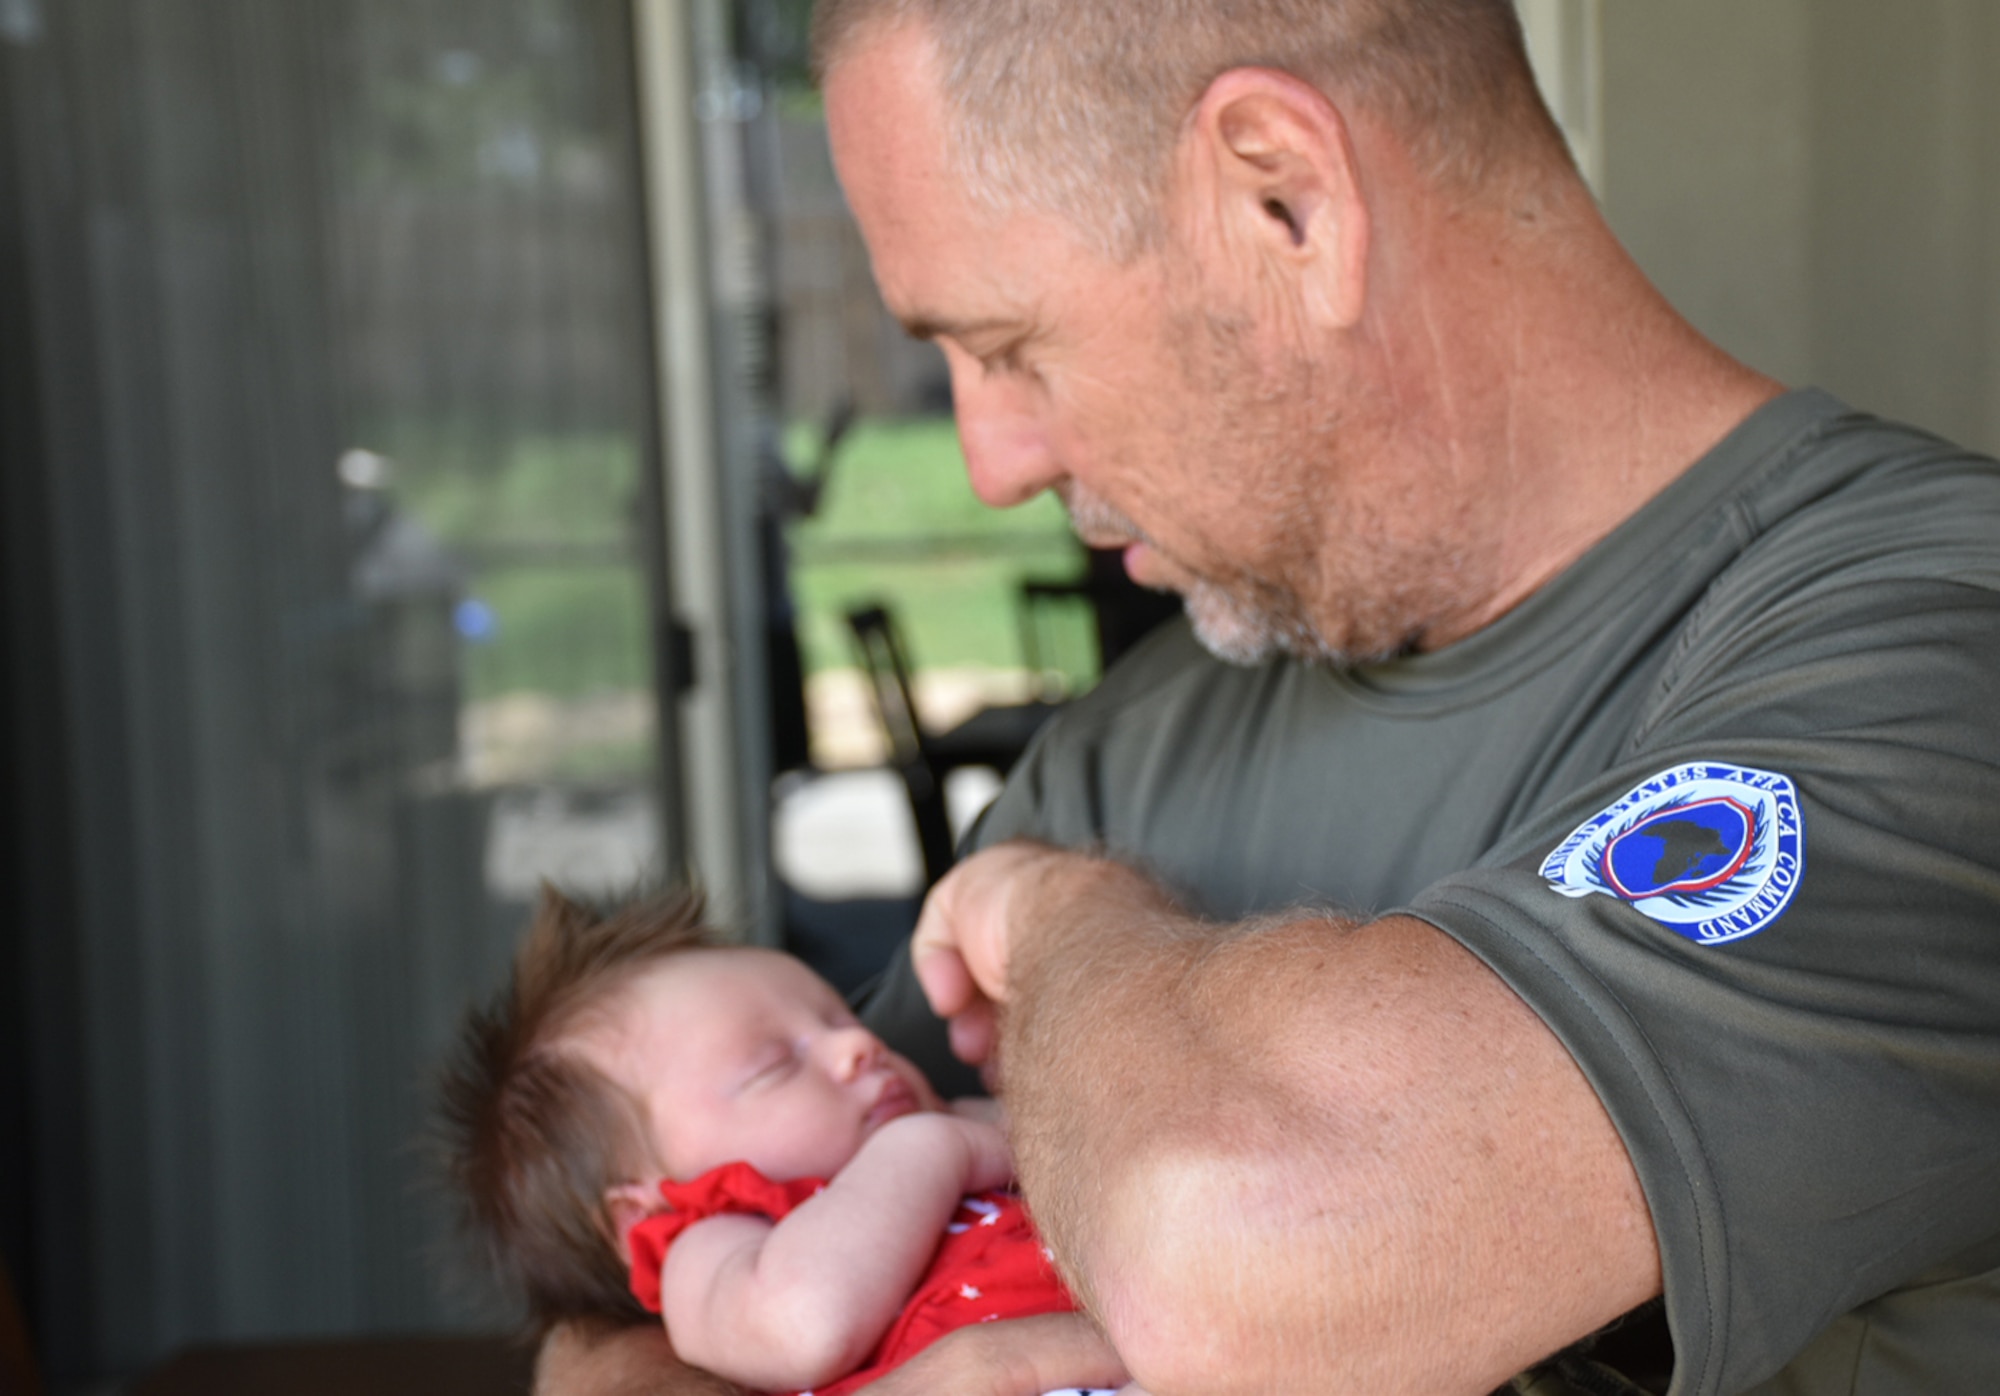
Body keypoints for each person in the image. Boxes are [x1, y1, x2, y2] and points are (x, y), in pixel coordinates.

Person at [541, 1, 2000, 1392]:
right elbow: (627, 1296)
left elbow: (1251, 1254)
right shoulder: (1134, 751)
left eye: (1007, 348)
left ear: (1283, 196)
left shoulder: (1927, 647)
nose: (992, 464)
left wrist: (1065, 930)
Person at [439, 888, 1128, 1396]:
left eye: (838, 1016)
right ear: (642, 1210)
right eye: (774, 1064)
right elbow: (803, 1327)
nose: (858, 1045)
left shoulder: (950, 1118)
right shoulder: (712, 1249)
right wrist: (928, 1151)